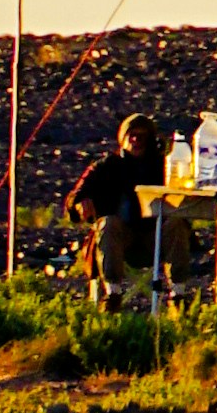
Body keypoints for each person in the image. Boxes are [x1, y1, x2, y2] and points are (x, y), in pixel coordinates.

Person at [65, 112, 163, 302]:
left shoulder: (163, 167)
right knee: (108, 224)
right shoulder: (107, 166)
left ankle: (178, 294)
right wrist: (79, 204)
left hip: (154, 235)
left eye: (142, 136)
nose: (136, 140)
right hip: (118, 237)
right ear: (123, 138)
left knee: (177, 225)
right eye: (131, 135)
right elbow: (74, 197)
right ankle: (113, 293)